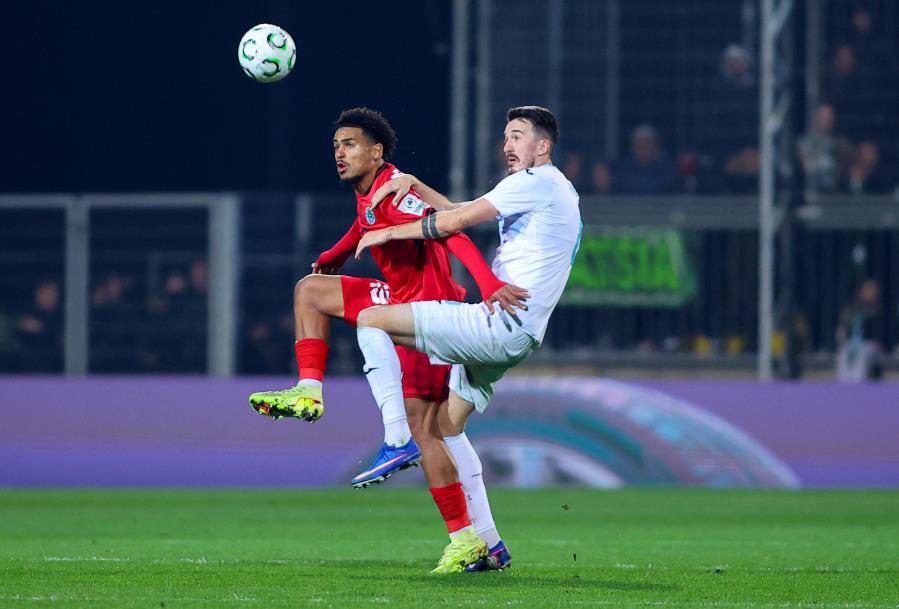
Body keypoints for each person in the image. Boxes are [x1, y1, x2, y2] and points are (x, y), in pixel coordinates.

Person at [247, 108, 524, 573]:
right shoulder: (372, 191)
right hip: (399, 299)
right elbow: (365, 224)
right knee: (310, 290)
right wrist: (334, 255)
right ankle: (309, 390)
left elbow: (449, 228)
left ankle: (468, 538)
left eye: (350, 145)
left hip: (429, 316)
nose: (339, 153)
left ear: (376, 152)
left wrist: (488, 284)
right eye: (336, 145)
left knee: (427, 430)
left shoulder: (395, 192)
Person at [352, 105, 581, 573]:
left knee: (370, 319)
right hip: (519, 333)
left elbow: (452, 224)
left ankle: (397, 439)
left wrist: (388, 232)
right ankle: (489, 546)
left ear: (543, 146)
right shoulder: (555, 188)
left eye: (517, 136)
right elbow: (459, 211)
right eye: (505, 136)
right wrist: (416, 185)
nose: (507, 145)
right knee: (446, 427)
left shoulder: (535, 182)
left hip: (496, 325)